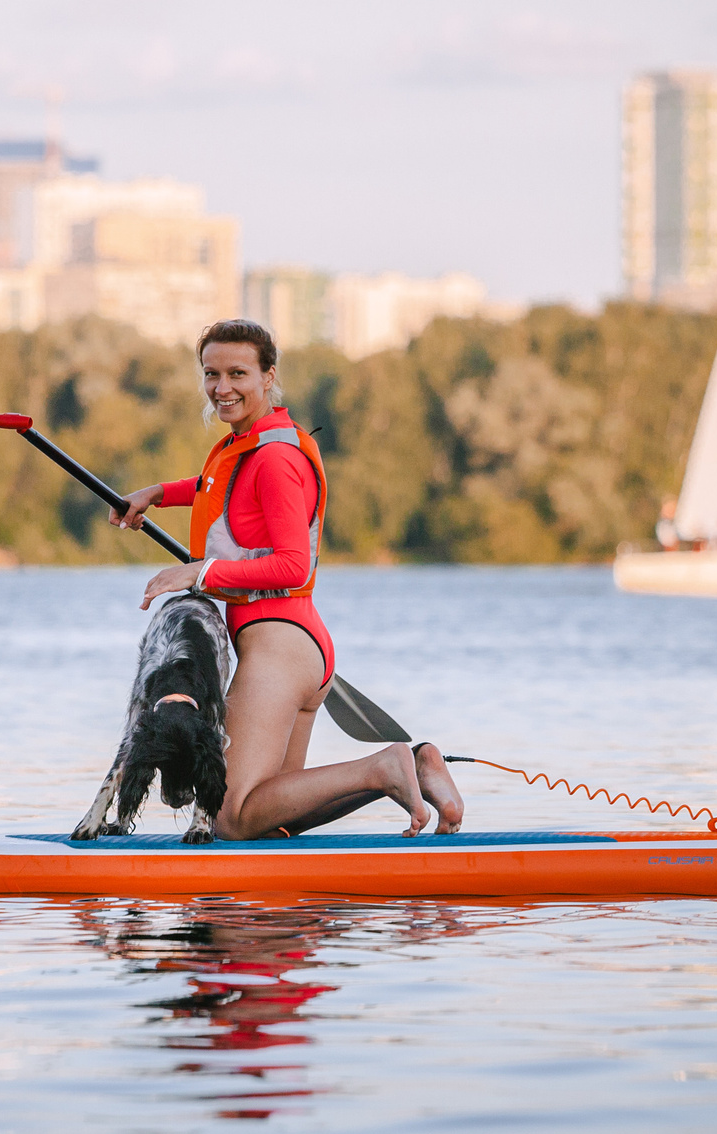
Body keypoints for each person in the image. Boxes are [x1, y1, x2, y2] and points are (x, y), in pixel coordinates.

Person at [112, 319, 465, 841]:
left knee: (231, 817)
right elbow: (218, 488)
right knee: (274, 816)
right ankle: (414, 764)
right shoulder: (252, 444)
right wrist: (158, 493)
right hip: (297, 645)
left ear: (268, 375)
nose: (222, 387)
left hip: (277, 646)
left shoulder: (275, 457)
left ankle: (383, 768)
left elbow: (293, 565)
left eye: (238, 373)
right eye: (211, 374)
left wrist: (199, 571)